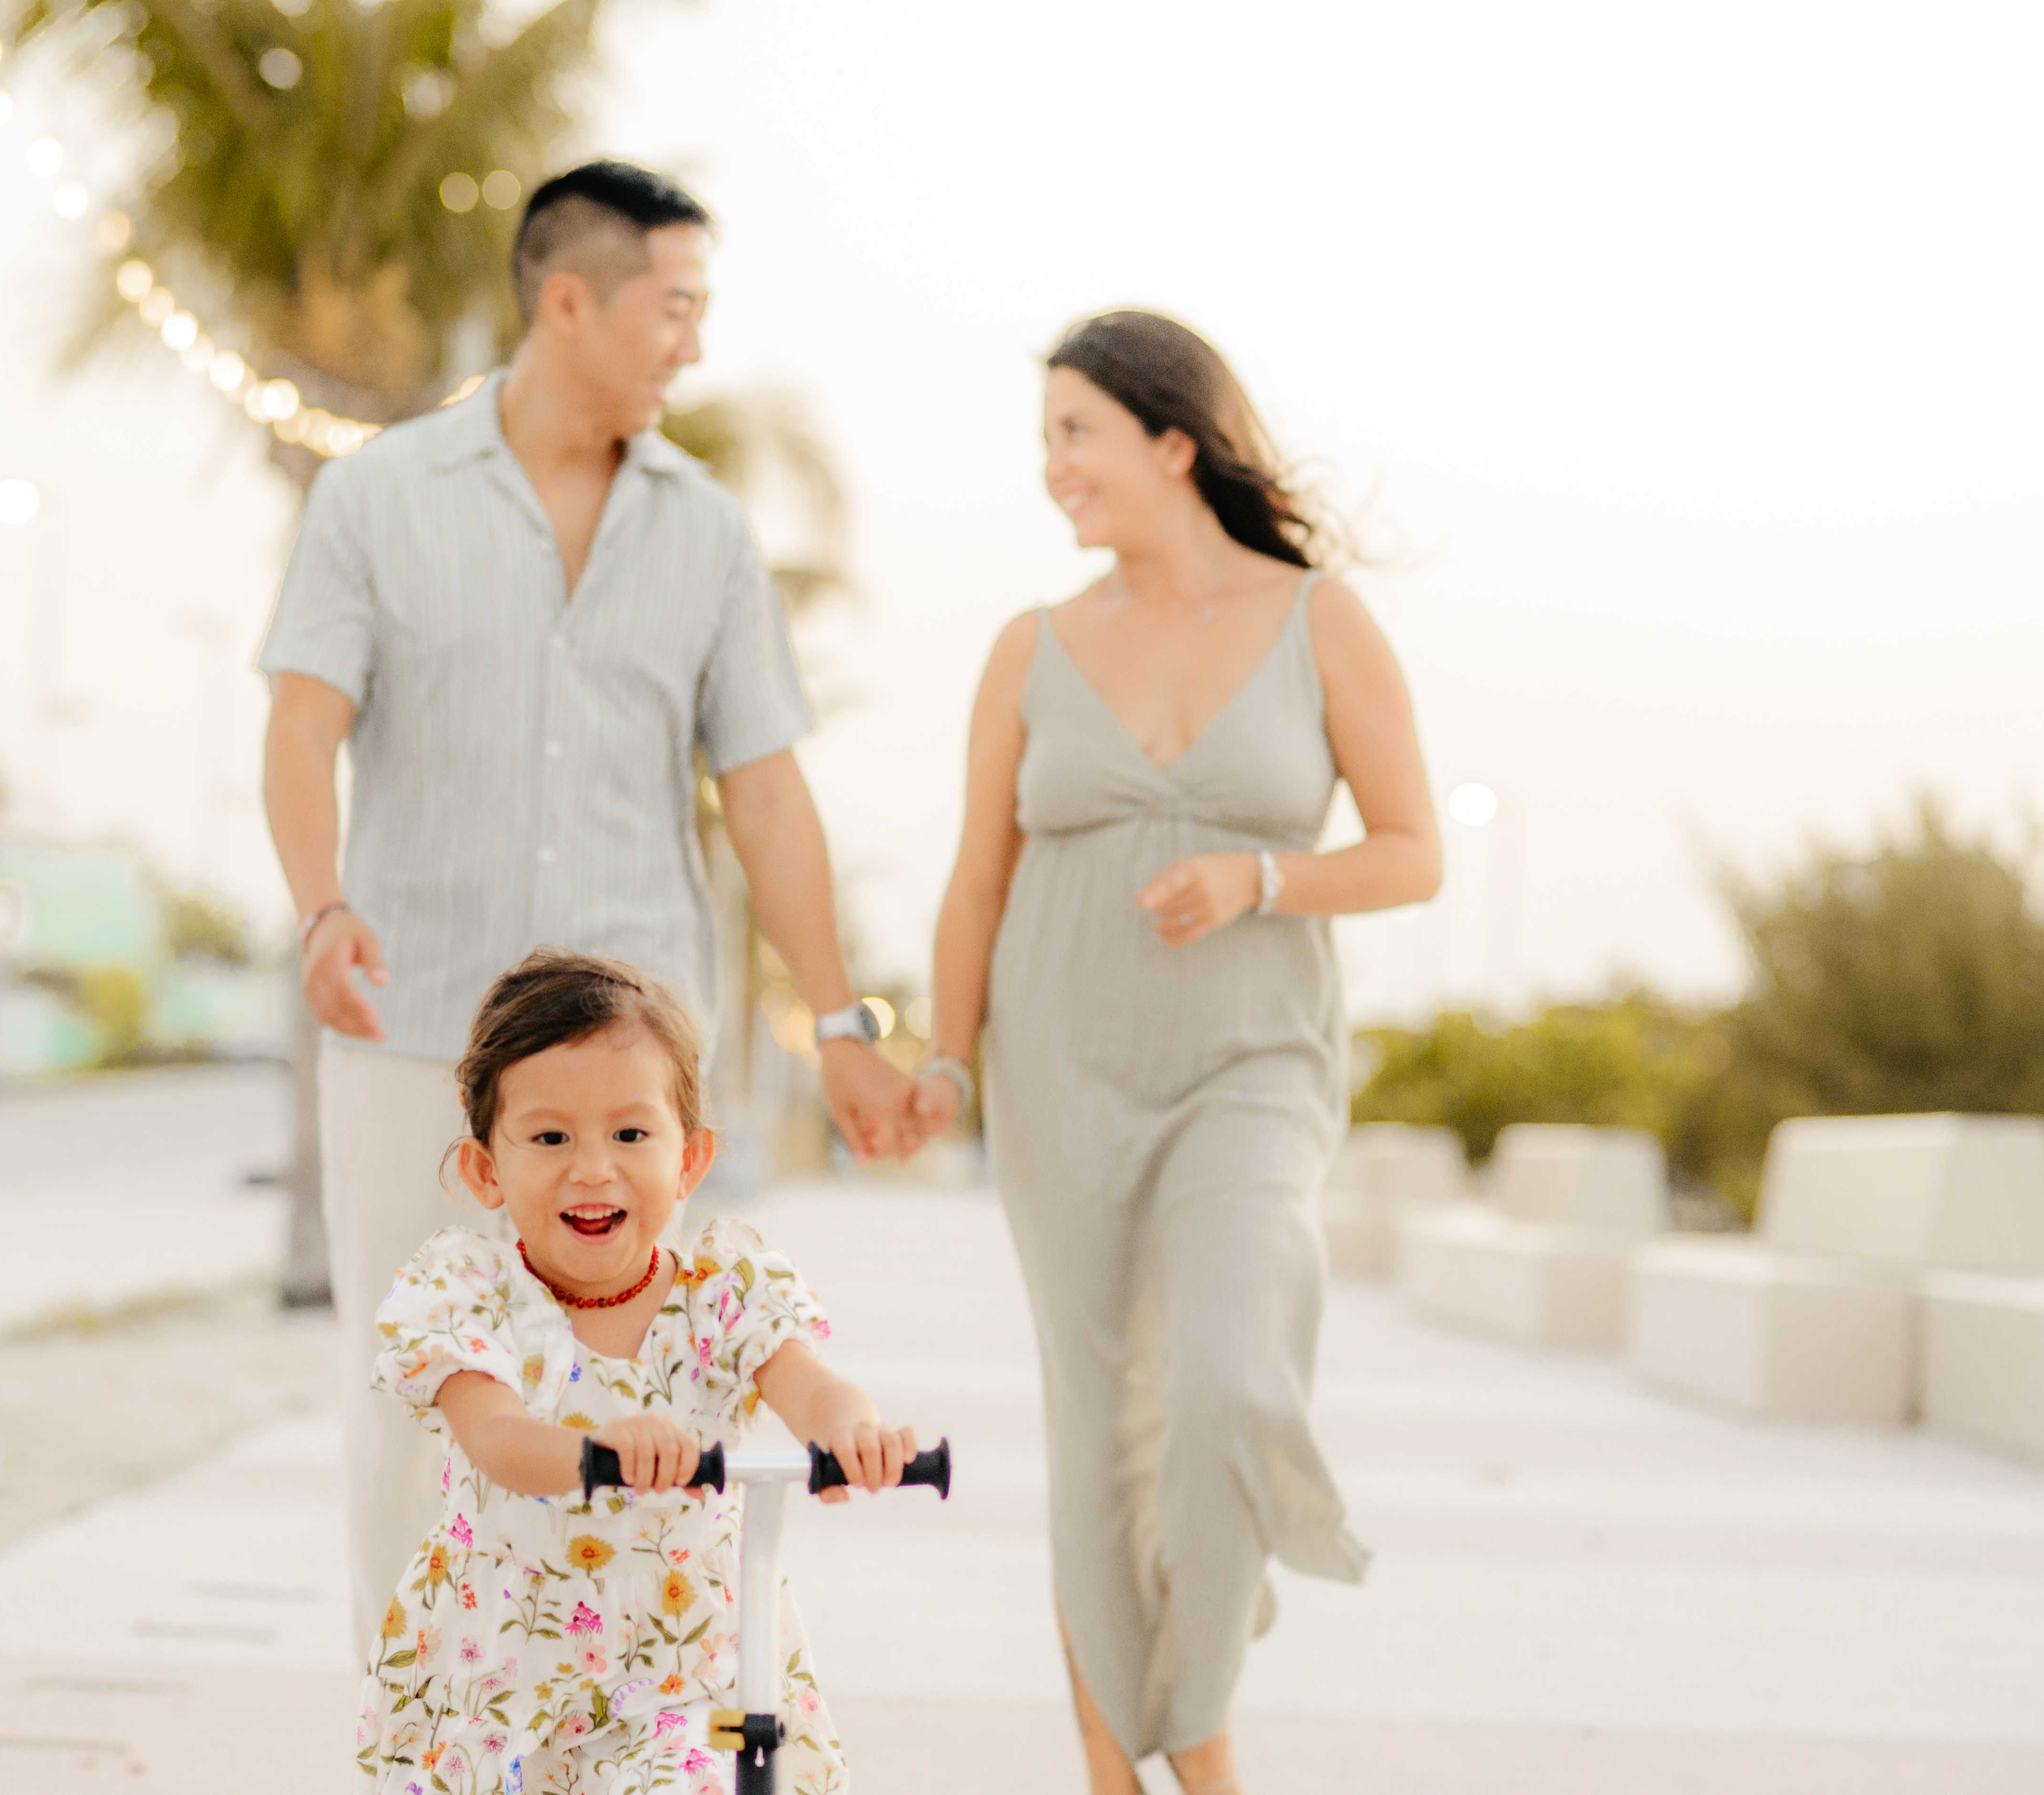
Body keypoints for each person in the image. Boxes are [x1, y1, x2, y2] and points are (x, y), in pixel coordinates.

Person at [258, 160, 923, 1663]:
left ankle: (630, 1732)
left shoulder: (709, 533)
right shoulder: (378, 497)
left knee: (664, 1415)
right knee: (413, 1409)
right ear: (572, 302)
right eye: (674, 307)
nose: (692, 342)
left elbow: (766, 792)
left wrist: (839, 1026)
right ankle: (423, 1740)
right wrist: (322, 908)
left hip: (633, 1066)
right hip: (413, 1030)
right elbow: (301, 729)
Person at [903, 311, 1442, 1795]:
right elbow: (976, 886)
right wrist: (948, 1065)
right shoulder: (1033, 645)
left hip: (1252, 1063)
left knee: (1221, 1381)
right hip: (1060, 1072)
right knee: (1101, 1429)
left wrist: (1261, 879)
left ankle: (1193, 1716)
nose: (1053, 470)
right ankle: (1116, 1772)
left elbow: (1413, 854)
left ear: (1172, 442)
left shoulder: (1318, 619)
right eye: (1044, 442)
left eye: (1076, 434)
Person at [363, 949, 914, 1793]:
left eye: (631, 1134)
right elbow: (497, 1437)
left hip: (689, 1680)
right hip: (507, 1682)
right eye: (550, 1137)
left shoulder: (722, 1294)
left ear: (690, 1161)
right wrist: (599, 1447)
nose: (593, 1167)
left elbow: (809, 1383)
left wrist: (851, 1430)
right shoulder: (469, 1295)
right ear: (485, 1169)